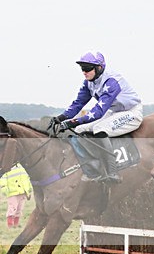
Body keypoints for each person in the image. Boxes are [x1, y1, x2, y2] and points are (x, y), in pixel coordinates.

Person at [49, 51, 143, 184]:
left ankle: (113, 172)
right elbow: (78, 103)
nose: (84, 72)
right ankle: (93, 171)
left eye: (87, 69)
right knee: (81, 129)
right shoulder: (88, 82)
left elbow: (98, 112)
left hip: (132, 112)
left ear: (99, 68)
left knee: (99, 128)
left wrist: (72, 122)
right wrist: (61, 118)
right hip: (114, 112)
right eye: (82, 69)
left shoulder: (111, 82)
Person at [0, 164, 32, 228]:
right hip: (12, 193)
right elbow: (2, 180)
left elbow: (27, 179)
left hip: (23, 192)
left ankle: (16, 225)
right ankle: (10, 225)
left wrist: (28, 191)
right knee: (12, 208)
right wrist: (6, 190)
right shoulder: (7, 167)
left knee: (19, 209)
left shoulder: (22, 166)